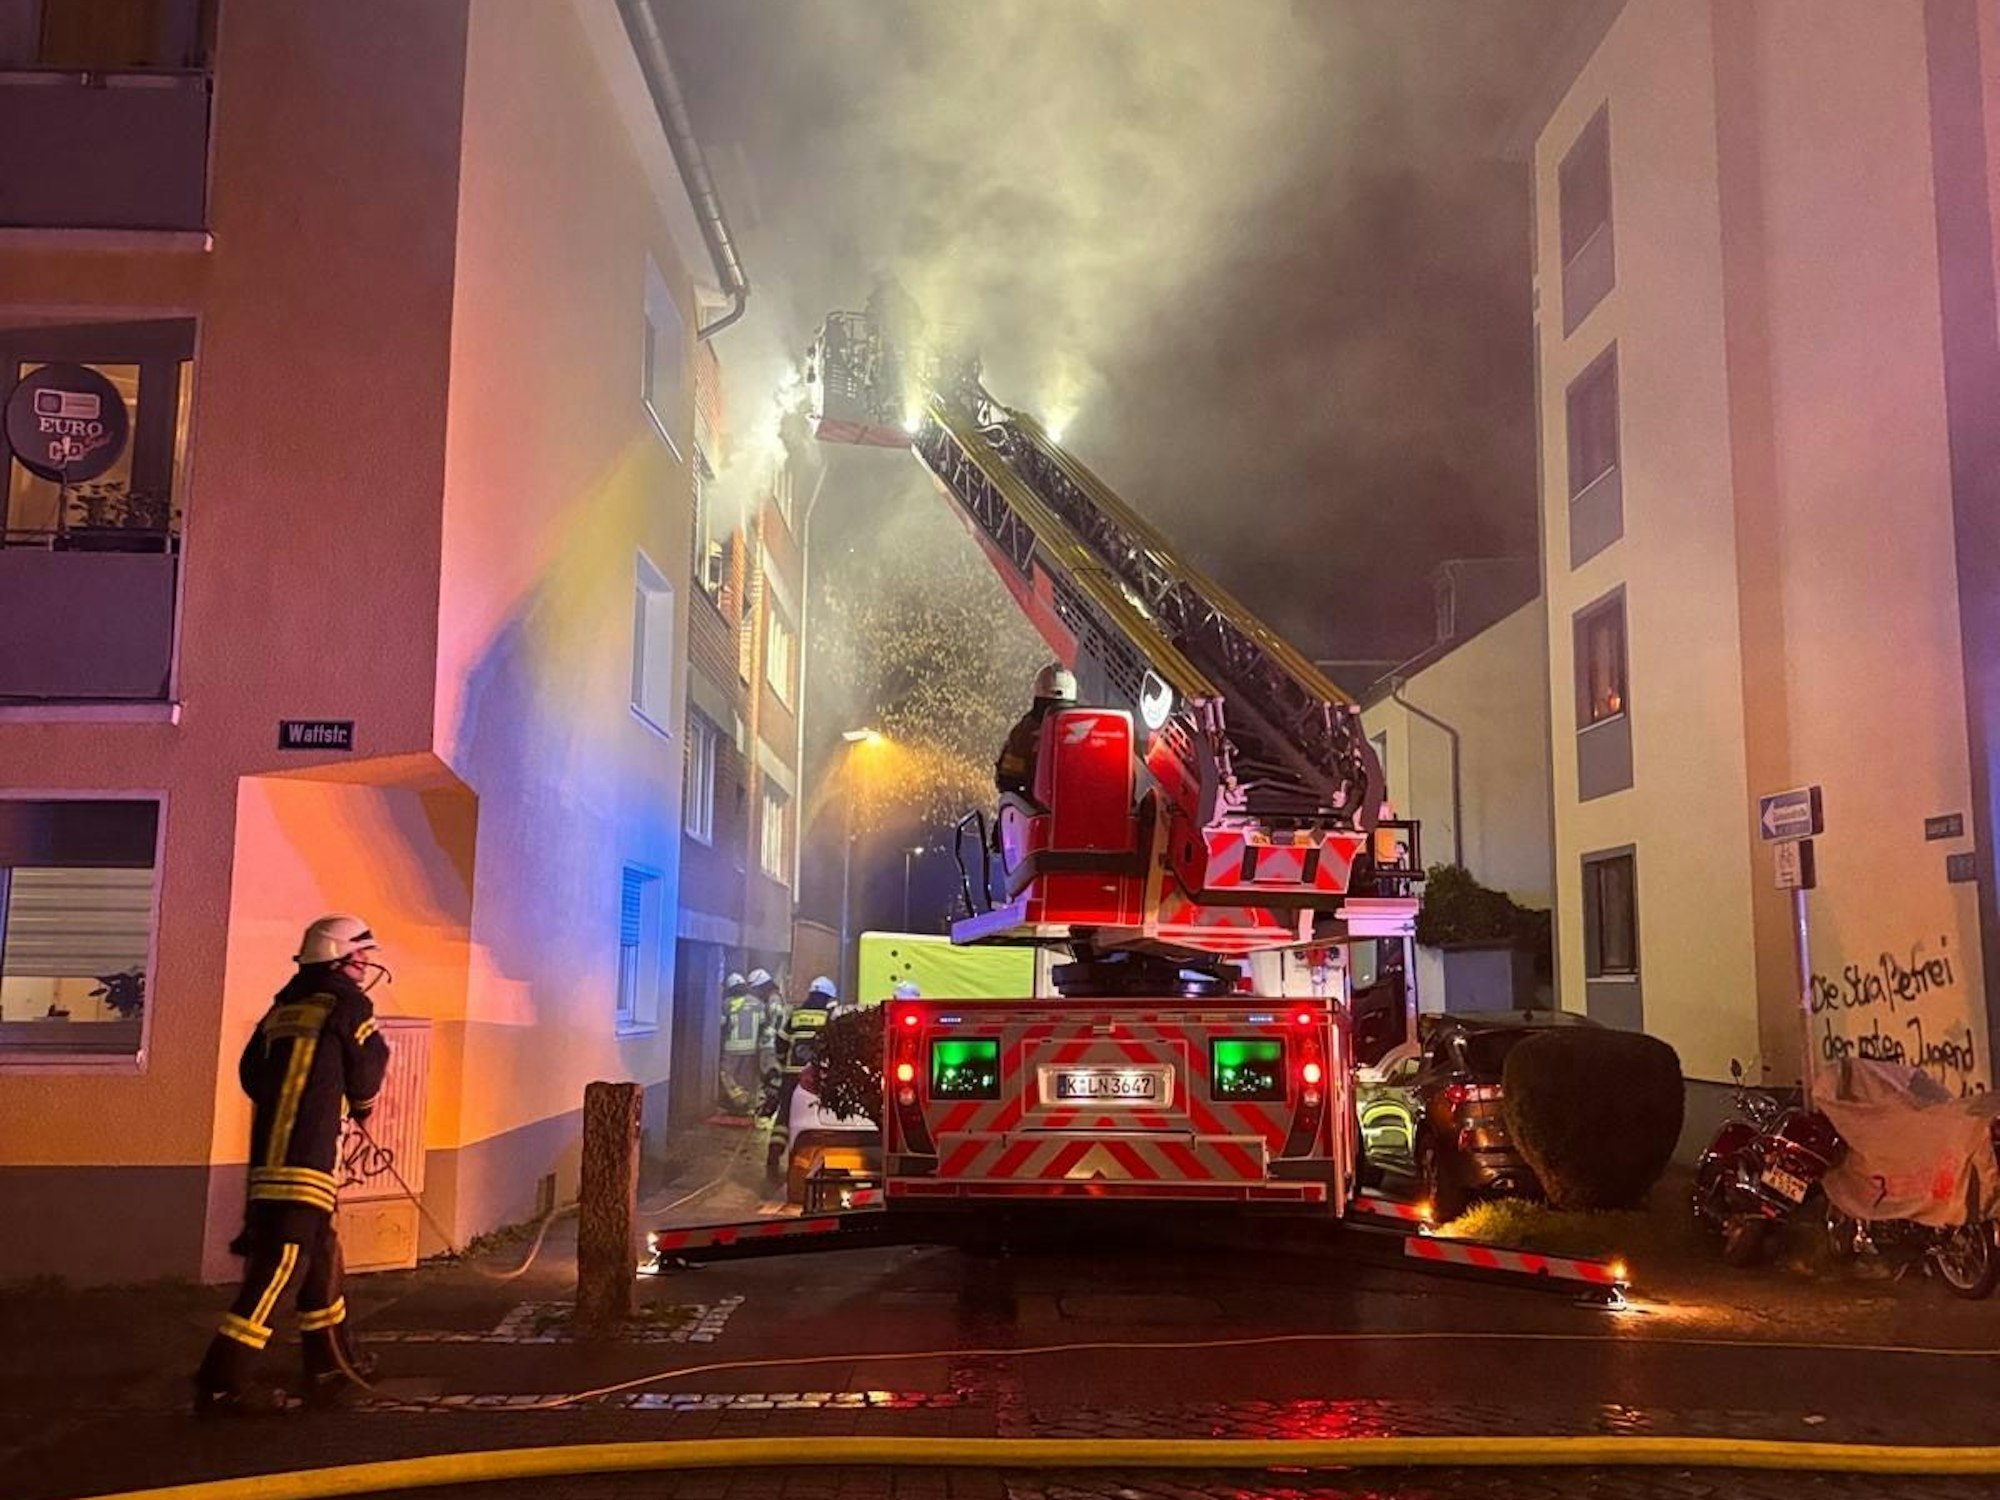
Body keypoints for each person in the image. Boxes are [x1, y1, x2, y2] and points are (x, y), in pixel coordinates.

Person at [192, 914, 392, 1416]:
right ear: (338, 959)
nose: (365, 966)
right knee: (279, 1268)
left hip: (271, 1162)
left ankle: (328, 1363)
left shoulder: (283, 1008)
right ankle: (222, 1382)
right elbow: (368, 1070)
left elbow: (252, 1074)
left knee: (320, 1261)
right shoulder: (347, 1005)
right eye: (359, 957)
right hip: (307, 1161)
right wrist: (354, 1108)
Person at [766, 975, 840, 1178]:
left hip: (791, 1075)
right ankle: (803, 1162)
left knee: (784, 1116)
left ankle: (773, 1156)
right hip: (815, 1077)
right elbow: (834, 1047)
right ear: (828, 996)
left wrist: (783, 1063)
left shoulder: (796, 1015)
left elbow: (780, 1042)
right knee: (811, 1119)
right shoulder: (829, 1016)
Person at [995, 662, 1077, 801]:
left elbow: (1006, 780)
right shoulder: (1090, 730)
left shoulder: (1024, 732)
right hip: (1080, 810)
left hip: (1038, 813)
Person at [718, 971, 760, 1115]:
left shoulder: (728, 1003)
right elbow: (763, 1022)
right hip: (752, 1047)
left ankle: (739, 1101)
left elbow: (721, 1022)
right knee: (746, 1077)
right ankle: (747, 1105)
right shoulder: (757, 1002)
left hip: (732, 1046)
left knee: (726, 1074)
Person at [747, 968, 785, 1117]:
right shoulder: (774, 997)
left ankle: (767, 1109)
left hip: (770, 1045)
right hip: (771, 1043)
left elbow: (777, 1017)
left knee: (769, 1075)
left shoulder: (773, 999)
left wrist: (768, 1032)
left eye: (756, 989)